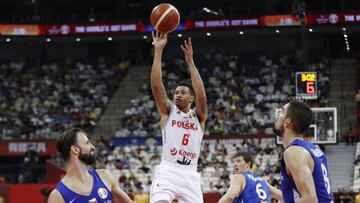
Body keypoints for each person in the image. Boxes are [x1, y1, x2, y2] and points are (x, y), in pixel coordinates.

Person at [149, 31, 208, 203]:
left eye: (183, 92)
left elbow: (202, 96)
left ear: (191, 98)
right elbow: (156, 85)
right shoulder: (168, 111)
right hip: (168, 170)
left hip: (190, 173)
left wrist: (190, 62)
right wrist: (158, 50)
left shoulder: (199, 117)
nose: (177, 95)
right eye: (175, 92)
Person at [48, 128, 134, 203]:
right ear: (75, 149)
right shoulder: (58, 196)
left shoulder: (105, 176)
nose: (93, 147)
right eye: (87, 143)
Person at [274, 101, 334, 202]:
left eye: (282, 112)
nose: (277, 115)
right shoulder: (314, 149)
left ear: (287, 122)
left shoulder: (294, 152)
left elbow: (310, 199)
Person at [218, 151, 283, 203]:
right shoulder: (263, 181)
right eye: (233, 162)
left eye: (238, 161)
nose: (235, 164)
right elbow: (284, 196)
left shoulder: (239, 177)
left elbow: (229, 197)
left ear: (248, 164)